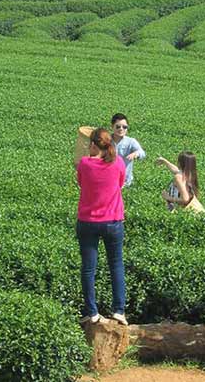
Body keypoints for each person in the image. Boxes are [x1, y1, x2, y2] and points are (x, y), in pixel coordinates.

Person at [75, 127, 128, 325]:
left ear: (95, 145)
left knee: (89, 269)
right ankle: (119, 310)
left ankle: (92, 312)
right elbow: (120, 184)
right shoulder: (118, 163)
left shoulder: (84, 164)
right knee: (116, 264)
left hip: (88, 222)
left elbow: (80, 182)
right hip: (113, 221)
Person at [111, 113, 146, 187]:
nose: (121, 129)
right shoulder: (106, 140)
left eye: (124, 127)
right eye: (118, 126)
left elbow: (142, 153)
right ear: (112, 127)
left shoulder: (131, 142)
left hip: (125, 183)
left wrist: (136, 154)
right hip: (108, 180)